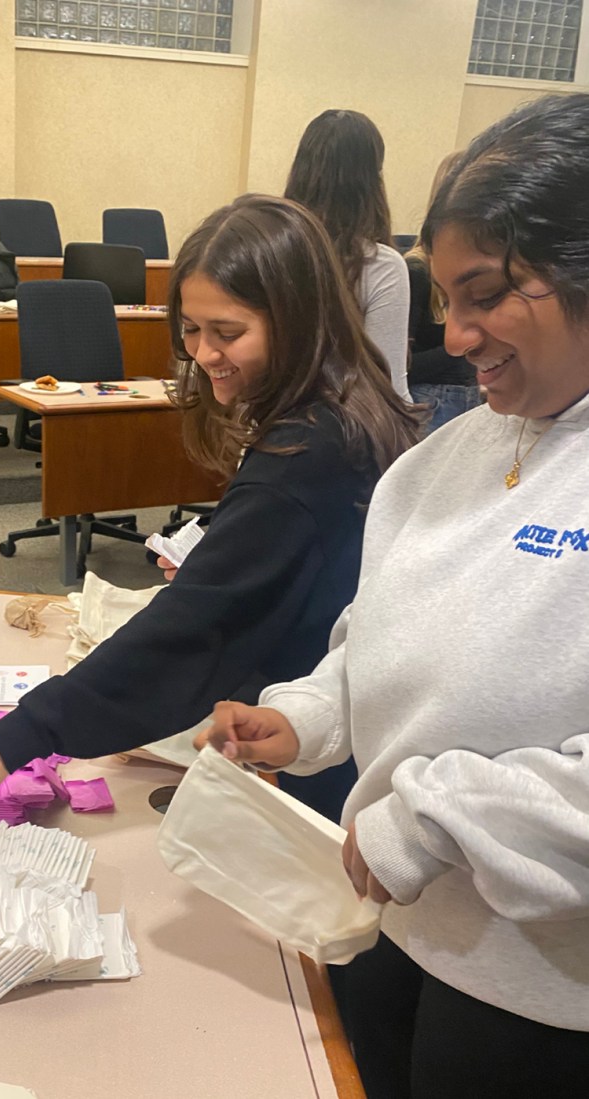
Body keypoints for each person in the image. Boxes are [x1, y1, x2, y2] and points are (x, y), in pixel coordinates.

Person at [201, 95, 589, 1098]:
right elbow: (377, 634)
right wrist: (306, 714)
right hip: (396, 920)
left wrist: (431, 821)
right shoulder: (448, 454)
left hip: (546, 990)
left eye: (488, 293)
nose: (452, 336)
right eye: (441, 299)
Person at [0, 193, 419, 850]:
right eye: (190, 329)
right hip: (327, 714)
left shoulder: (305, 450)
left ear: (296, 319)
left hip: (321, 751)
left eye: (228, 332)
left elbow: (193, 627)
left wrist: (17, 735)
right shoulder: (345, 399)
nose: (204, 354)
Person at [284, 108, 411, 402]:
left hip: (271, 425)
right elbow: (389, 386)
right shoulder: (381, 266)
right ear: (372, 181)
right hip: (347, 433)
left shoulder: (271, 250)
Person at [405, 151, 482, 430]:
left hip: (469, 394)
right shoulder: (417, 271)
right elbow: (404, 366)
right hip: (431, 400)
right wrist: (459, 349)